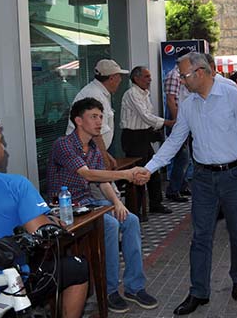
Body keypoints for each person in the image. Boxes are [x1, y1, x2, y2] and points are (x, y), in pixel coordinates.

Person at [142, 52, 237, 315]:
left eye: (183, 76)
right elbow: (174, 141)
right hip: (203, 178)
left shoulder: (231, 95)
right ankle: (198, 292)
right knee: (200, 236)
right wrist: (149, 169)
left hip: (235, 175)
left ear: (200, 73)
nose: (181, 81)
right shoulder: (188, 104)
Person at [0, 111, 88, 318]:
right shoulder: (14, 185)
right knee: (77, 268)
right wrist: (52, 220)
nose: (4, 149)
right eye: (0, 142)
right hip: (5, 291)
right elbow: (42, 233)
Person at [47, 98, 158, 314]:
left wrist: (117, 203)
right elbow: (88, 174)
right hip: (65, 209)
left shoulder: (93, 148)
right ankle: (109, 290)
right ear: (78, 120)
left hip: (88, 203)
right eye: (94, 117)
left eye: (100, 116)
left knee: (130, 219)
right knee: (109, 224)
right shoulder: (63, 144)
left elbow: (103, 180)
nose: (99, 121)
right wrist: (126, 174)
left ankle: (135, 287)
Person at [121, 66, 174, 217]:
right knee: (138, 173)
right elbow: (145, 115)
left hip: (144, 135)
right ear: (136, 78)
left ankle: (155, 203)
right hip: (133, 137)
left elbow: (148, 116)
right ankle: (135, 211)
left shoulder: (144, 93)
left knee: (152, 170)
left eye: (150, 76)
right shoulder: (132, 93)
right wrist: (167, 122)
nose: (150, 80)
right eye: (146, 76)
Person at [66, 59, 129, 170]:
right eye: (119, 76)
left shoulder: (99, 93)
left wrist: (105, 154)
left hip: (91, 152)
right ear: (111, 78)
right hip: (84, 155)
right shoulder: (94, 95)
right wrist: (105, 160)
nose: (120, 80)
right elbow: (95, 133)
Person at [164, 50, 193, 203]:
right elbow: (171, 100)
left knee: (184, 157)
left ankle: (181, 185)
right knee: (182, 157)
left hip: (183, 120)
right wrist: (177, 122)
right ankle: (173, 190)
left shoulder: (183, 75)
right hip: (177, 120)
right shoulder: (174, 75)